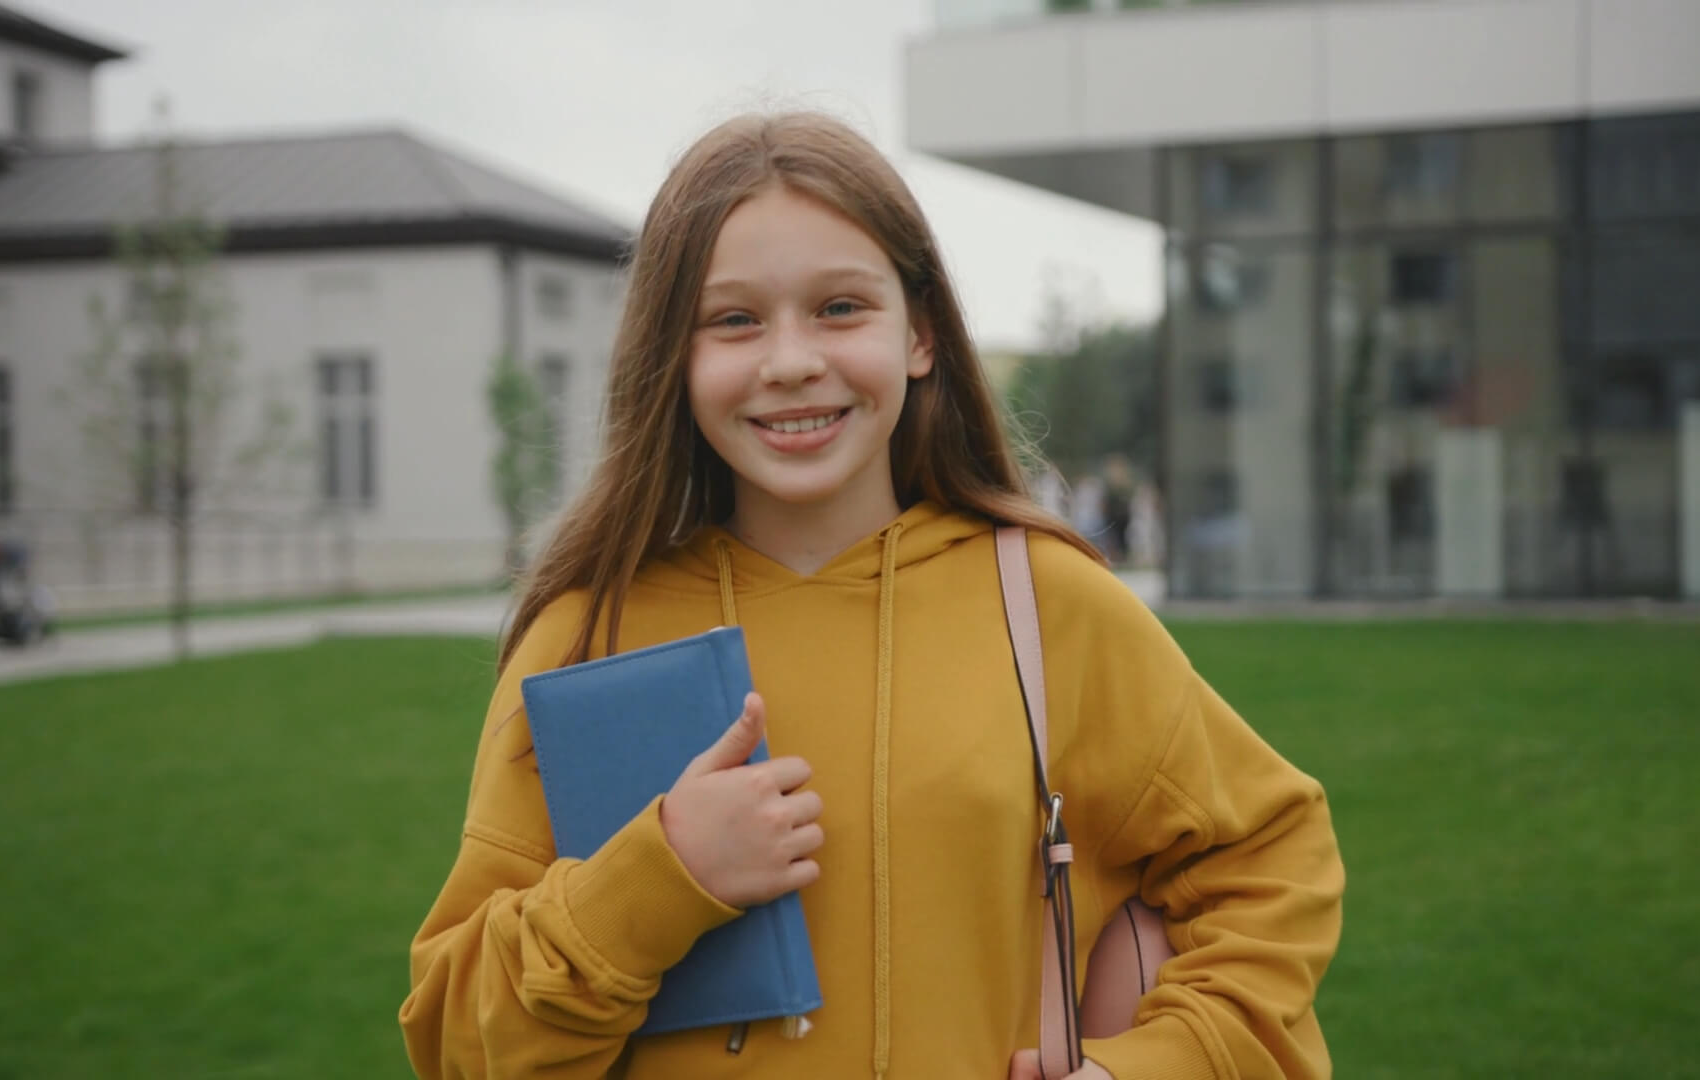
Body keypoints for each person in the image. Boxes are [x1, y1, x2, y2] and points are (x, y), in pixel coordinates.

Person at [401, 112, 1344, 1080]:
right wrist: (663, 873)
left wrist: (1154, 1066)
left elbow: (1271, 865)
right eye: (733, 320)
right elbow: (458, 1041)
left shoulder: (1053, 607)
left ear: (921, 334)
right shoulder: (585, 633)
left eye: (841, 307)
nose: (791, 360)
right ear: (672, 359)